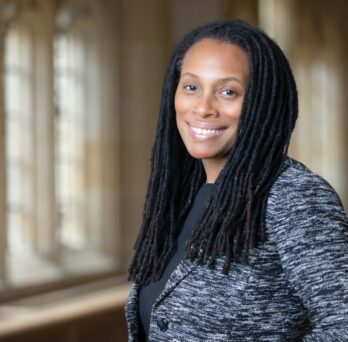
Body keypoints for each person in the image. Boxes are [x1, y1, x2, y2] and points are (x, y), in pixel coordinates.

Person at [124, 20, 348, 341]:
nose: (203, 108)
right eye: (191, 87)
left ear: (263, 103)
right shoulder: (182, 197)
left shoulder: (293, 195)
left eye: (228, 92)